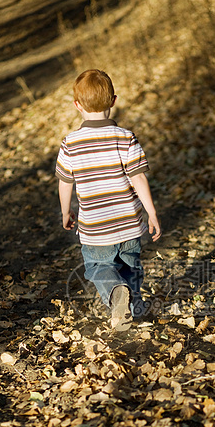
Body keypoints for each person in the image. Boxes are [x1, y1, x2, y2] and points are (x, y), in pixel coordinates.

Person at [56, 69, 161, 331]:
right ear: (113, 101)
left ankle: (116, 295)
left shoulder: (71, 143)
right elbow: (138, 178)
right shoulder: (125, 137)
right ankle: (134, 307)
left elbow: (65, 182)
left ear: (77, 105)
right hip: (128, 223)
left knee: (99, 267)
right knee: (130, 266)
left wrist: (65, 211)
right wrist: (152, 212)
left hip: (95, 227)